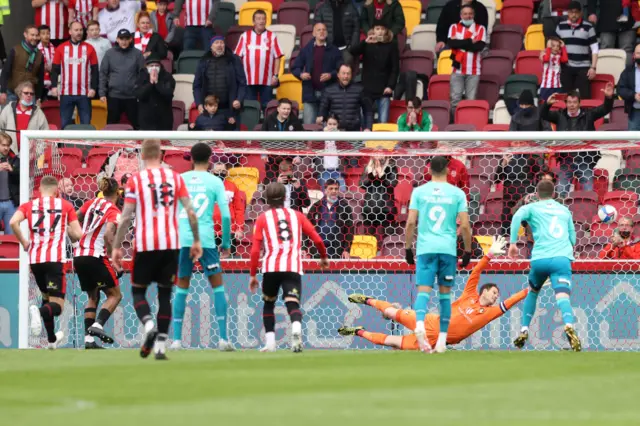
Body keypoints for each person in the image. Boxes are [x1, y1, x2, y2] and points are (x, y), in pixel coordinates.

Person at [339, 237, 529, 349]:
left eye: (497, 295)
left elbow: (510, 301)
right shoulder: (469, 294)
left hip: (435, 340)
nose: (496, 296)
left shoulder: (490, 312)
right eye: (494, 292)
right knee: (391, 313)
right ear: (484, 291)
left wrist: (530, 289)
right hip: (429, 322)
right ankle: (366, 299)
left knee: (391, 341)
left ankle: (358, 331)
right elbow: (476, 272)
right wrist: (488, 255)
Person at [111, 139, 203, 360]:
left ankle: (149, 324)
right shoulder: (175, 178)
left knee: (138, 291)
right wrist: (196, 240)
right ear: (162, 155)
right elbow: (190, 212)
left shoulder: (136, 180)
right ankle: (161, 347)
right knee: (164, 295)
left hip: (145, 245)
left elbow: (126, 217)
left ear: (142, 155)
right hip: (171, 244)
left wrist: (116, 246)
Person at [249, 182, 329, 353]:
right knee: (292, 304)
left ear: (266, 199)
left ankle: (270, 343)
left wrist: (252, 274)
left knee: (268, 304)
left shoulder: (262, 218)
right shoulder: (297, 215)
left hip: (270, 267)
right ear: (285, 197)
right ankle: (296, 332)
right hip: (292, 266)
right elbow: (317, 240)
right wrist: (323, 257)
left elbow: (255, 250)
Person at [405, 155, 472, 353]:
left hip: (425, 249)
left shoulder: (419, 192)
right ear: (446, 170)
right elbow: (465, 225)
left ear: (429, 170)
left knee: (423, 292)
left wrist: (408, 247)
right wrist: (467, 250)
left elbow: (410, 222)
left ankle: (419, 325)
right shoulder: (457, 193)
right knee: (445, 296)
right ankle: (442, 342)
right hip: (448, 250)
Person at [171, 143, 233, 351]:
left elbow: (170, 211)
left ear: (190, 158)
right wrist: (225, 243)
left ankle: (177, 340)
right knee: (218, 287)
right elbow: (225, 215)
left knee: (181, 287)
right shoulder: (215, 181)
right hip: (206, 240)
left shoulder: (180, 179)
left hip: (182, 240)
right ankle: (223, 339)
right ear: (210, 159)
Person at [9, 176, 83, 349]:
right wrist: (67, 229)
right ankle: (38, 312)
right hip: (55, 260)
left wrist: (25, 243)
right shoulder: (65, 205)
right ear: (57, 190)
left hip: (35, 260)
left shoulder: (29, 205)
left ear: (40, 190)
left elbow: (13, 222)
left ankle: (51, 340)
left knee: (45, 297)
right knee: (57, 305)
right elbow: (78, 234)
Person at [509, 180, 581, 351]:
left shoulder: (532, 207)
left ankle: (524, 329)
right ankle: (569, 325)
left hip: (540, 258)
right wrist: (568, 247)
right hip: (561, 259)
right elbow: (573, 238)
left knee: (533, 292)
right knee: (562, 296)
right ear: (554, 193)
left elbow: (516, 216)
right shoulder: (564, 210)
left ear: (537, 193)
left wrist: (512, 243)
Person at [74, 177, 123, 349]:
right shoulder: (114, 210)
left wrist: (78, 236)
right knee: (115, 295)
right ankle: (98, 325)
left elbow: (75, 217)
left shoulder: (91, 203)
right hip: (95, 256)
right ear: (117, 193)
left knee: (93, 296)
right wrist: (113, 257)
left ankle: (88, 341)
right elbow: (109, 233)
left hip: (79, 254)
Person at [541, 85, 614, 195]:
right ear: (566, 103)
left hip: (584, 159)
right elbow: (543, 114)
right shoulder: (559, 115)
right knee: (561, 191)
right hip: (566, 160)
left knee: (588, 191)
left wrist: (608, 98)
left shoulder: (589, 114)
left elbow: (605, 109)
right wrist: (547, 105)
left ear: (579, 103)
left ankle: (588, 210)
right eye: (569, 102)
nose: (572, 105)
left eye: (574, 102)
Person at [290, 22, 343, 125]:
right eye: (319, 30)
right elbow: (295, 67)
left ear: (327, 33)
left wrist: (330, 75)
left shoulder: (334, 50)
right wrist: (301, 74)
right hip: (310, 93)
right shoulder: (306, 50)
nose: (322, 32)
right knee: (309, 127)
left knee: (328, 128)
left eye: (324, 30)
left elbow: (340, 69)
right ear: (313, 33)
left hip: (328, 94)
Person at [51, 21, 99, 130]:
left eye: (81, 30)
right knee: (64, 124)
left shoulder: (89, 48)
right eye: (76, 30)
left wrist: (93, 88)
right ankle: (64, 147)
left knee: (86, 125)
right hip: (66, 93)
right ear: (70, 31)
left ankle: (85, 147)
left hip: (84, 93)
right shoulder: (61, 48)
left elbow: (95, 70)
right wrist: (54, 86)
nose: (79, 32)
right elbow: (55, 69)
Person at [193, 35, 246, 130]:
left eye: (221, 42)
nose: (219, 45)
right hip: (209, 110)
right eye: (216, 43)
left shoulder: (234, 60)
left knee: (231, 141)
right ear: (211, 46)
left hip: (229, 109)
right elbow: (196, 85)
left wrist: (239, 99)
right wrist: (199, 104)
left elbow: (242, 83)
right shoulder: (203, 61)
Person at [234, 10, 284, 109]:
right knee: (251, 108)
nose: (261, 21)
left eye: (263, 19)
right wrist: (240, 76)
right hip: (248, 80)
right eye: (258, 19)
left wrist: (275, 75)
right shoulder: (245, 36)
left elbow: (277, 57)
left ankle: (267, 125)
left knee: (267, 108)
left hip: (267, 80)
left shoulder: (272, 36)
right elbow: (237, 57)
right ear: (253, 21)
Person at [350, 24, 399, 124]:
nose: (380, 31)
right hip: (367, 88)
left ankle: (382, 140)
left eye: (382, 29)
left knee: (383, 122)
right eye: (377, 29)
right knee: (365, 121)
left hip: (384, 89)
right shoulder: (367, 43)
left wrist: (390, 86)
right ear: (373, 30)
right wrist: (365, 42)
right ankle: (364, 140)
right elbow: (352, 51)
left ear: (386, 31)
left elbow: (395, 68)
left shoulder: (392, 45)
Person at [100, 29, 145, 129]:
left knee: (137, 125)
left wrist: (139, 92)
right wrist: (102, 93)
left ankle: (139, 145)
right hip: (114, 96)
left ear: (130, 39)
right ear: (117, 39)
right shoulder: (109, 53)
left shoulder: (137, 54)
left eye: (126, 39)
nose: (124, 41)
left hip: (132, 97)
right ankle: (110, 144)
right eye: (121, 39)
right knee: (111, 125)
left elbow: (143, 74)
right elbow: (103, 74)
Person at [493, 143, 542, 234]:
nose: (518, 145)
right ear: (511, 144)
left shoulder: (531, 158)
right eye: (516, 142)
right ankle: (505, 243)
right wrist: (503, 164)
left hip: (526, 196)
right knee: (506, 222)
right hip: (509, 196)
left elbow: (539, 174)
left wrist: (534, 191)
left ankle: (529, 243)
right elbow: (497, 180)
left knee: (528, 222)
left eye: (521, 143)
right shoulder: (506, 159)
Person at [447, 5, 487, 114]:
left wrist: (460, 43)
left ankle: (469, 123)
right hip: (457, 69)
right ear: (461, 15)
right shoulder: (454, 27)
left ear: (473, 15)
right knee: (455, 100)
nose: (468, 16)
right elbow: (451, 43)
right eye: (465, 13)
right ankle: (455, 123)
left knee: (471, 101)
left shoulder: (481, 28)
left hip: (474, 71)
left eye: (470, 13)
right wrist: (470, 41)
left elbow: (479, 47)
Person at [556, 1, 598, 99]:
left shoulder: (589, 27)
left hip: (584, 68)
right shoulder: (560, 27)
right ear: (568, 12)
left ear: (580, 13)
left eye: (576, 12)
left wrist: (593, 67)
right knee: (566, 98)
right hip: (566, 67)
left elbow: (595, 48)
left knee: (585, 98)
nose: (573, 14)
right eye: (571, 12)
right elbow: (554, 45)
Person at [317, 64, 373, 131]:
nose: (346, 76)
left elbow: (368, 111)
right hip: (335, 132)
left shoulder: (360, 90)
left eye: (348, 73)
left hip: (354, 133)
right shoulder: (329, 90)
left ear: (351, 75)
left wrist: (368, 128)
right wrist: (321, 120)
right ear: (338, 75)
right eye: (343, 73)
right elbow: (322, 112)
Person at [307, 179, 354, 259]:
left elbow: (349, 230)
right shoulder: (317, 206)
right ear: (325, 190)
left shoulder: (345, 207)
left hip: (337, 249)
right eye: (331, 188)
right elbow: (306, 227)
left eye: (336, 189)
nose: (334, 191)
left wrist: (347, 249)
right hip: (318, 248)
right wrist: (304, 248)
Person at [0, 81, 49, 154]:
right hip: (9, 154)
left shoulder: (38, 112)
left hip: (30, 155)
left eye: (31, 93)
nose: (29, 95)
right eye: (26, 93)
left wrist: (38, 152)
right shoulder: (8, 109)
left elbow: (46, 134)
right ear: (19, 94)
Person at [0, 25, 45, 105]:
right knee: (10, 117)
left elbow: (40, 78)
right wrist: (3, 91)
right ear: (25, 34)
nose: (34, 38)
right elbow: (5, 71)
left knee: (29, 117)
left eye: (36, 35)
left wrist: (38, 97)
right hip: (12, 93)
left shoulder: (40, 55)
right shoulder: (15, 50)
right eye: (32, 35)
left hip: (29, 95)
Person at [360, 155, 398, 245]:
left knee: (389, 240)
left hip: (386, 208)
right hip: (370, 208)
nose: (378, 157)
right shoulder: (368, 167)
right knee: (368, 240)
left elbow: (393, 184)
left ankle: (389, 257)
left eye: (381, 155)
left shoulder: (391, 167)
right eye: (376, 155)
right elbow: (362, 184)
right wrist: (371, 175)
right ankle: (369, 257)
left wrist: (382, 174)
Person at [134, 55, 176, 131]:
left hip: (164, 119)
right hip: (146, 120)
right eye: (151, 65)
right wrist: (150, 83)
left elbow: (168, 94)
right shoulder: (140, 77)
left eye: (156, 65)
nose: (154, 68)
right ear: (146, 66)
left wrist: (157, 83)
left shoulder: (168, 77)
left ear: (160, 66)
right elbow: (139, 95)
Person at [212, 163, 246, 253]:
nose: (220, 173)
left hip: (229, 229)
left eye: (223, 171)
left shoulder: (232, 186)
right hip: (210, 230)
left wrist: (239, 228)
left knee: (229, 260)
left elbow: (239, 209)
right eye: (218, 171)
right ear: (212, 172)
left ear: (226, 172)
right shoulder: (208, 186)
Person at [588, 0, 635, 65]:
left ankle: (627, 75)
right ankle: (606, 74)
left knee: (627, 51)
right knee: (606, 51)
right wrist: (591, 12)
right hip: (607, 20)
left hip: (628, 21)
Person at [318, 114, 347, 190]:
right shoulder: (320, 136)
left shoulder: (341, 137)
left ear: (338, 125)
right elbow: (313, 146)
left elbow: (349, 149)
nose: (332, 126)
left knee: (342, 190)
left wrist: (339, 137)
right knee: (327, 191)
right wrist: (323, 135)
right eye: (329, 124)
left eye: (334, 124)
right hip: (324, 171)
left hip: (337, 171)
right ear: (326, 124)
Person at [617, 44, 640, 131]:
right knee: (633, 142)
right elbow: (620, 89)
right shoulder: (627, 71)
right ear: (634, 55)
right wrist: (633, 95)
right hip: (634, 112)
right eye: (638, 53)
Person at [0, 133, 20, 233]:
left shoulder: (16, 160)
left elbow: (22, 177)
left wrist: (12, 170)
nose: (6, 148)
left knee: (12, 236)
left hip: (11, 203)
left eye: (8, 145)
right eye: (3, 145)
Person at [539, 36, 568, 102]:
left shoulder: (558, 56)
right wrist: (548, 48)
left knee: (558, 106)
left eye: (558, 46)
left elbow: (565, 60)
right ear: (549, 45)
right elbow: (546, 59)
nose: (555, 48)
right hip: (546, 87)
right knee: (545, 106)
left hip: (557, 86)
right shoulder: (544, 54)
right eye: (553, 45)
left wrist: (563, 47)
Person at [37, 25, 56, 96]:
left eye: (48, 33)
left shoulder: (54, 48)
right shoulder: (36, 50)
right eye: (43, 33)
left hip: (52, 74)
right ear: (39, 36)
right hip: (41, 78)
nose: (46, 36)